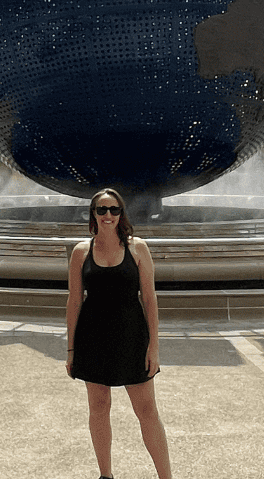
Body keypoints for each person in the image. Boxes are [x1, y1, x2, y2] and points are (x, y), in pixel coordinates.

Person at [66, 188, 173, 479]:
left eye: (114, 209)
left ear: (122, 213)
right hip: (92, 338)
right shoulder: (80, 252)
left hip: (131, 336)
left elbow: (150, 299)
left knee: (147, 410)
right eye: (102, 210)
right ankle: (106, 475)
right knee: (99, 408)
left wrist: (154, 347)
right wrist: (71, 349)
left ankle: (166, 477)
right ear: (93, 215)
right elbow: (74, 301)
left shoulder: (138, 248)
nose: (108, 215)